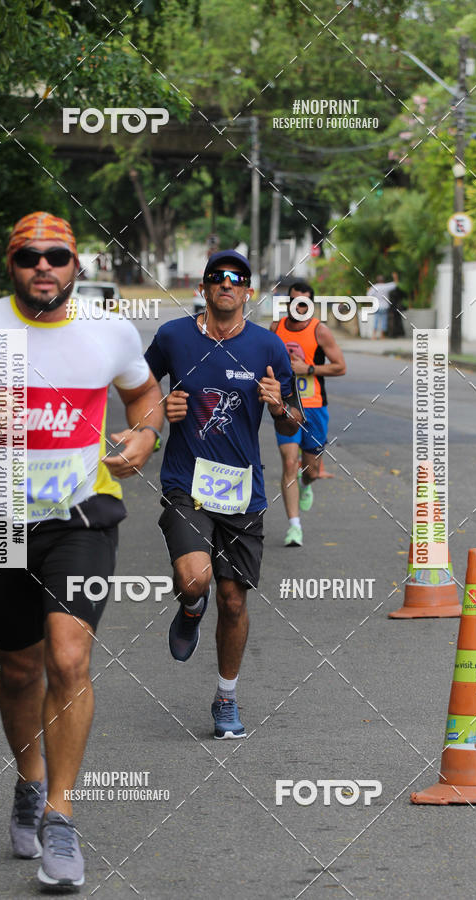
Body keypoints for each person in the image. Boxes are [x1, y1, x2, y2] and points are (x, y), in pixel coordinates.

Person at [0, 211, 163, 889]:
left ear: (76, 263)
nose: (44, 268)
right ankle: (30, 782)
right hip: (5, 521)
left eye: (57, 256)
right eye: (30, 257)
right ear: (12, 264)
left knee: (67, 656)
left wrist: (145, 435)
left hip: (84, 515)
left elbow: (144, 394)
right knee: (21, 670)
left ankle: (60, 814)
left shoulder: (108, 331)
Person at [144, 249, 302, 739]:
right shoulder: (173, 337)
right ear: (205, 288)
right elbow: (138, 391)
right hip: (185, 483)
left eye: (236, 279)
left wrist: (279, 409)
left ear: (248, 291)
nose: (226, 284)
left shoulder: (267, 347)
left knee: (233, 601)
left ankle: (225, 697)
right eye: (217, 277)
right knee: (196, 580)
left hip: (243, 491)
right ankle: (191, 606)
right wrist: (158, 409)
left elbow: (296, 418)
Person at [271, 281, 346, 547]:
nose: (298, 307)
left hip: (315, 407)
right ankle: (294, 527)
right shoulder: (275, 329)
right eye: (294, 302)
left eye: (304, 303)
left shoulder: (320, 331)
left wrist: (309, 369)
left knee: (310, 470)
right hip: (287, 405)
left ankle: (307, 483)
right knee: (289, 463)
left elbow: (340, 367)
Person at [368, 273, 398, 339]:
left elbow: (368, 295)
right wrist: (395, 277)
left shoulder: (374, 287)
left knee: (376, 320)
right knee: (384, 320)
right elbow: (395, 284)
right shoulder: (386, 286)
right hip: (385, 306)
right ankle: (382, 335)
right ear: (383, 280)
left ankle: (374, 335)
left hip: (377, 306)